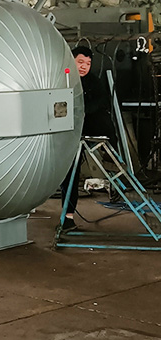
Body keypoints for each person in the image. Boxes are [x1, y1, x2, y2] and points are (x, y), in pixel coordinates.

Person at [60, 46, 117, 231]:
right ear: (72, 61)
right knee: (70, 174)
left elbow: (101, 102)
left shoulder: (94, 82)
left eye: (88, 63)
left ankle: (112, 156)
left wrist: (84, 110)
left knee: (105, 121)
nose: (84, 66)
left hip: (87, 128)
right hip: (67, 133)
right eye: (80, 62)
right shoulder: (63, 81)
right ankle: (67, 217)